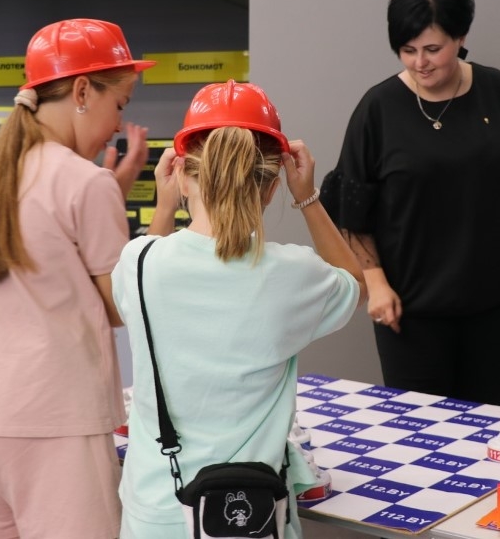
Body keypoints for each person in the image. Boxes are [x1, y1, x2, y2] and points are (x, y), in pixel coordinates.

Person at [0, 18, 167, 539]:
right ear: (82, 91)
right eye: (119, 104)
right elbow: (123, 306)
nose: (117, 123)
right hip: (53, 422)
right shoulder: (87, 182)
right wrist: (164, 211)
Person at [112, 79, 368, 539]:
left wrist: (165, 207)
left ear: (183, 175)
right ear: (271, 189)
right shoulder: (292, 273)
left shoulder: (139, 262)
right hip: (252, 514)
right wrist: (308, 198)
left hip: (156, 509)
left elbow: (149, 262)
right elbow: (354, 283)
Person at [320, 0, 500, 406]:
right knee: (418, 427)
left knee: (488, 420)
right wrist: (376, 284)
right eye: (408, 50)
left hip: (498, 301)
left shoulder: (499, 92)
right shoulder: (378, 108)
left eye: (433, 49)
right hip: (409, 308)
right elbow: (353, 206)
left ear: (461, 37)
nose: (420, 63)